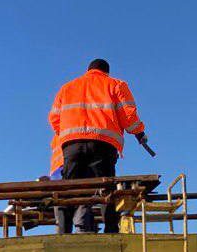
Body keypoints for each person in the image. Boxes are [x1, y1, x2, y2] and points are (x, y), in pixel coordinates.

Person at [48, 58, 148, 233]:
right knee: (106, 186)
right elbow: (129, 116)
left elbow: (54, 119)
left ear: (88, 70)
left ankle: (64, 231)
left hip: (72, 144)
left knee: (69, 187)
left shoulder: (68, 87)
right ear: (106, 72)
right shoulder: (116, 85)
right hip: (103, 143)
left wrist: (69, 133)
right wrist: (139, 133)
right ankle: (110, 229)